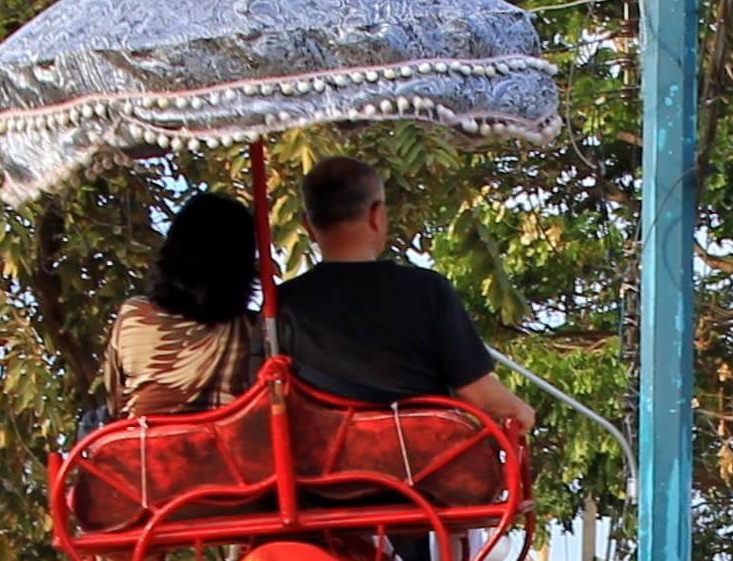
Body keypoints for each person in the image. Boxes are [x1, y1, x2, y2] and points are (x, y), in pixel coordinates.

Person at [273, 157, 533, 433]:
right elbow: (479, 395)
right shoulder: (428, 291)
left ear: (307, 226)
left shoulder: (282, 304)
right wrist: (519, 410)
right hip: (422, 466)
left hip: (326, 469)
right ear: (377, 215)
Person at [103, 190, 267, 418]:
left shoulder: (134, 315)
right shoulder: (257, 331)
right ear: (243, 267)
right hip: (228, 450)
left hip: (145, 450)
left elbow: (115, 403)